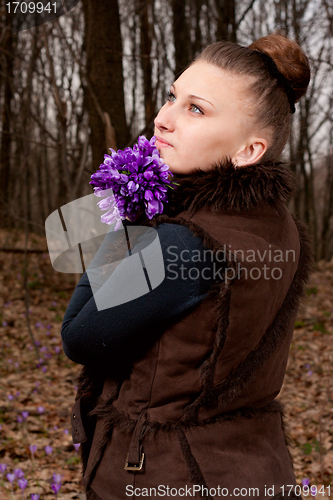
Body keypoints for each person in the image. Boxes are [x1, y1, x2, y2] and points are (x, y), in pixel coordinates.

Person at [61, 32, 314, 500]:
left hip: (163, 476)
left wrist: (129, 212)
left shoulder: (184, 244)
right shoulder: (279, 225)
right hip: (254, 468)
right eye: (172, 98)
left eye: (196, 109)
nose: (162, 120)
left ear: (249, 150)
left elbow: (79, 335)